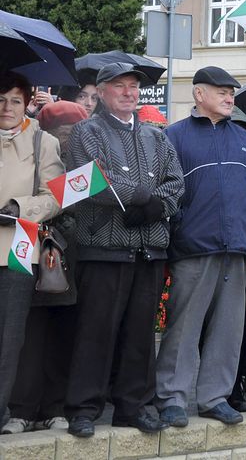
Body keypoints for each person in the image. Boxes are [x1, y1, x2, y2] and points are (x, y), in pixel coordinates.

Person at [64, 63, 184, 438]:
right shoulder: (87, 131)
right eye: (120, 86)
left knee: (139, 336)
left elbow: (177, 184)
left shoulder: (156, 136)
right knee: (94, 334)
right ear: (101, 91)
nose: (129, 93)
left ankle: (134, 407)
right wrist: (145, 197)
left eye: (133, 87)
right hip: (104, 248)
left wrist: (154, 207)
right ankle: (83, 408)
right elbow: (92, 181)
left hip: (148, 250)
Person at [154, 67, 246, 428]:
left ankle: (214, 397)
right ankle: (171, 398)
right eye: (221, 91)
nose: (229, 97)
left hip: (238, 247)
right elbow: (166, 193)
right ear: (198, 94)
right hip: (193, 247)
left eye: (231, 92)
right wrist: (176, 234)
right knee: (183, 328)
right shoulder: (173, 137)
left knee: (228, 329)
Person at [4, 102, 86, 435]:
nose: (69, 139)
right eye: (64, 131)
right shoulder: (32, 150)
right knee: (26, 330)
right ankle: (21, 409)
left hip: (68, 252)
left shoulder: (84, 161)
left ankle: (54, 406)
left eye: (74, 132)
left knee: (62, 329)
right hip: (25, 243)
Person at [0, 73, 63, 433]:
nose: (7, 108)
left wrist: (18, 207)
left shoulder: (43, 141)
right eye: (1, 99)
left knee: (9, 338)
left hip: (20, 245)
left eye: (15, 101)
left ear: (26, 104)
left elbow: (55, 197)